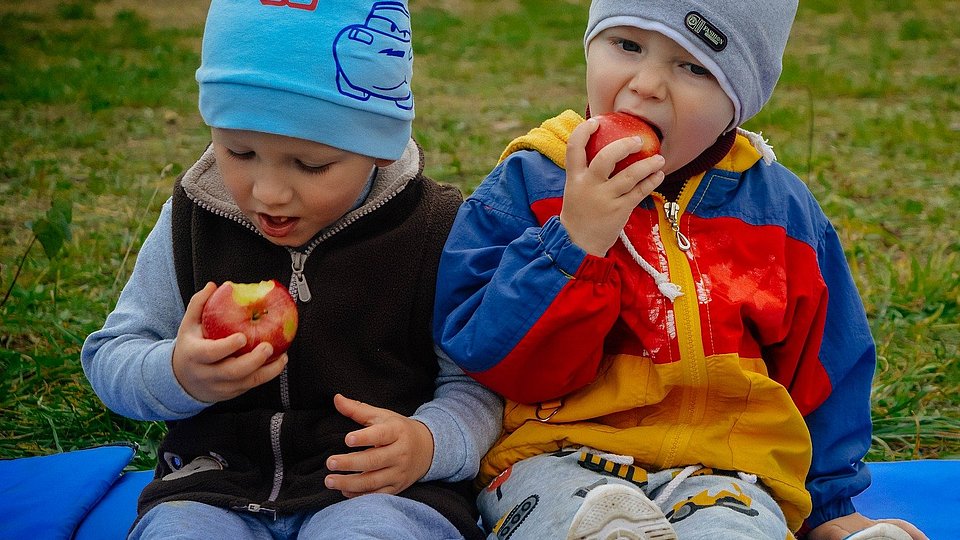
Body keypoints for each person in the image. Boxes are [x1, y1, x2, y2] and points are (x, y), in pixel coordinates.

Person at [432, 1, 928, 539]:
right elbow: (488, 357)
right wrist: (573, 245)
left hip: (727, 469)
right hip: (554, 455)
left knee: (733, 528)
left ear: (739, 102)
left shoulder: (780, 214)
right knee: (571, 522)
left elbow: (826, 364)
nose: (647, 85)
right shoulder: (529, 185)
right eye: (627, 46)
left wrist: (831, 509)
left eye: (693, 67)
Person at [81, 1, 502, 538]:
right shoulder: (193, 220)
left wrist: (428, 444)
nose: (269, 193)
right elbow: (111, 354)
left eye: (311, 165)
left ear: (378, 146)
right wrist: (178, 374)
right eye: (238, 151)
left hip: (379, 492)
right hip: (215, 487)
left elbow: (477, 385)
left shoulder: (434, 232)